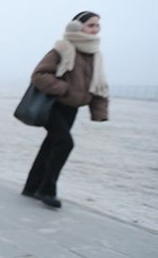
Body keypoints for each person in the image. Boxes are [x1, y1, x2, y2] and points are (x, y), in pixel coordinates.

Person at [21, 11, 109, 208]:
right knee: (64, 143)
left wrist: (99, 112)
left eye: (97, 26)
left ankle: (31, 187)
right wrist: (63, 89)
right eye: (91, 25)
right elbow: (39, 74)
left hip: (72, 109)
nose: (95, 29)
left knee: (51, 145)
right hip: (53, 105)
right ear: (77, 27)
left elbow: (98, 86)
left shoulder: (95, 55)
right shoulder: (62, 49)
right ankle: (46, 190)